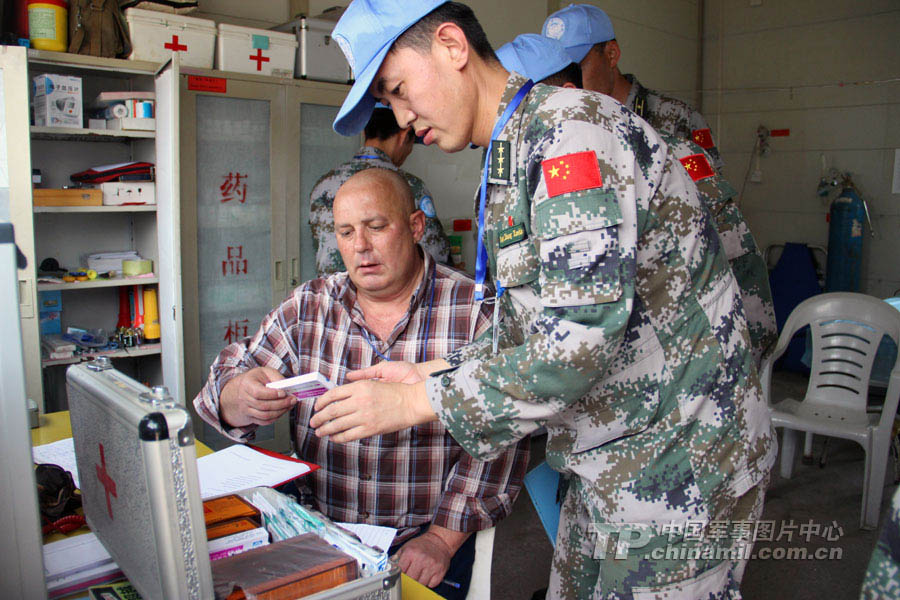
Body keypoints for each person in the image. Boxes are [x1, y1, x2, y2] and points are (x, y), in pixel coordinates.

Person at [314, 2, 775, 598]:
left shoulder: (570, 135)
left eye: (399, 89)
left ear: (452, 46)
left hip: (678, 461)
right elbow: (528, 322)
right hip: (611, 452)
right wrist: (431, 369)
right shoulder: (514, 148)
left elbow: (577, 341)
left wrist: (413, 404)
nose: (402, 117)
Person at [195, 167, 528, 599]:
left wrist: (441, 540)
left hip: (423, 537)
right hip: (319, 531)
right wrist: (237, 396)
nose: (361, 248)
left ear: (415, 227)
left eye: (376, 227)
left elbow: (502, 437)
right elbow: (227, 380)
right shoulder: (310, 306)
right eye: (346, 232)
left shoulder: (475, 311)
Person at [496, 33, 777, 368]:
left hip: (695, 380)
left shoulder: (668, 152)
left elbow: (738, 263)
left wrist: (750, 363)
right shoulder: (525, 180)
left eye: (517, 114)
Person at [542, 3, 725, 169]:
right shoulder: (557, 125)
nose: (567, 83)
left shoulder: (678, 120)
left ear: (611, 55)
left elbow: (711, 201)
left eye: (575, 69)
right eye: (557, 74)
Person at [309, 106, 451, 276]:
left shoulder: (323, 185)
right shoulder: (409, 186)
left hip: (332, 297)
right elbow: (436, 254)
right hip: (391, 296)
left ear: (364, 134)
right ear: (405, 135)